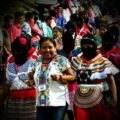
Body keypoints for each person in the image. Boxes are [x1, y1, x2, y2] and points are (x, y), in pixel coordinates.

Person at [71, 36, 120, 120]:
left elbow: (111, 81)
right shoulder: (76, 61)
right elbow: (71, 79)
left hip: (98, 100)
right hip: (79, 100)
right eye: (83, 44)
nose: (85, 47)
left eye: (88, 44)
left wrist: (114, 99)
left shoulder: (103, 61)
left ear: (94, 45)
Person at [29, 37, 75, 120]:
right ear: (40, 49)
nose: (47, 50)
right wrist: (32, 80)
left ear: (55, 47)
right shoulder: (37, 60)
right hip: (41, 103)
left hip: (59, 102)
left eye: (50, 47)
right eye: (44, 47)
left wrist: (60, 77)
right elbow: (32, 73)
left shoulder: (60, 60)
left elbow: (72, 77)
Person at [0, 34, 38, 120]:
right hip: (13, 102)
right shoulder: (10, 60)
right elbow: (6, 84)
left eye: (21, 51)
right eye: (15, 51)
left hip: (31, 101)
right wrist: (1, 101)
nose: (18, 53)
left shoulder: (36, 59)